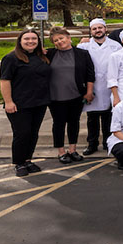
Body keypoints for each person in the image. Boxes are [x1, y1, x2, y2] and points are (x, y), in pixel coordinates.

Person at [0, 30, 52, 177]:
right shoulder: (11, 58)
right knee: (22, 134)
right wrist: (8, 102)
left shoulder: (41, 56)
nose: (31, 41)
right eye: (27, 39)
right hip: (19, 104)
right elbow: (4, 81)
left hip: (39, 102)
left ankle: (28, 160)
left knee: (33, 134)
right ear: (20, 41)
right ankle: (19, 163)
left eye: (34, 39)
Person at [45, 27, 95, 164]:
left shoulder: (82, 53)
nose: (59, 42)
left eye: (61, 38)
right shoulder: (49, 54)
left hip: (76, 95)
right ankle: (61, 152)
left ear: (68, 37)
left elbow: (90, 74)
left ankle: (73, 150)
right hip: (55, 97)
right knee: (59, 124)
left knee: (74, 122)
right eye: (56, 40)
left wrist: (89, 92)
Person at [77, 19, 121, 155]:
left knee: (108, 117)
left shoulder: (115, 46)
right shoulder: (84, 46)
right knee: (92, 117)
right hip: (92, 86)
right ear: (90, 31)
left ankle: (108, 143)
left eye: (100, 28)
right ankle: (92, 144)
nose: (98, 30)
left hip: (110, 86)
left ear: (105, 29)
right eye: (94, 28)